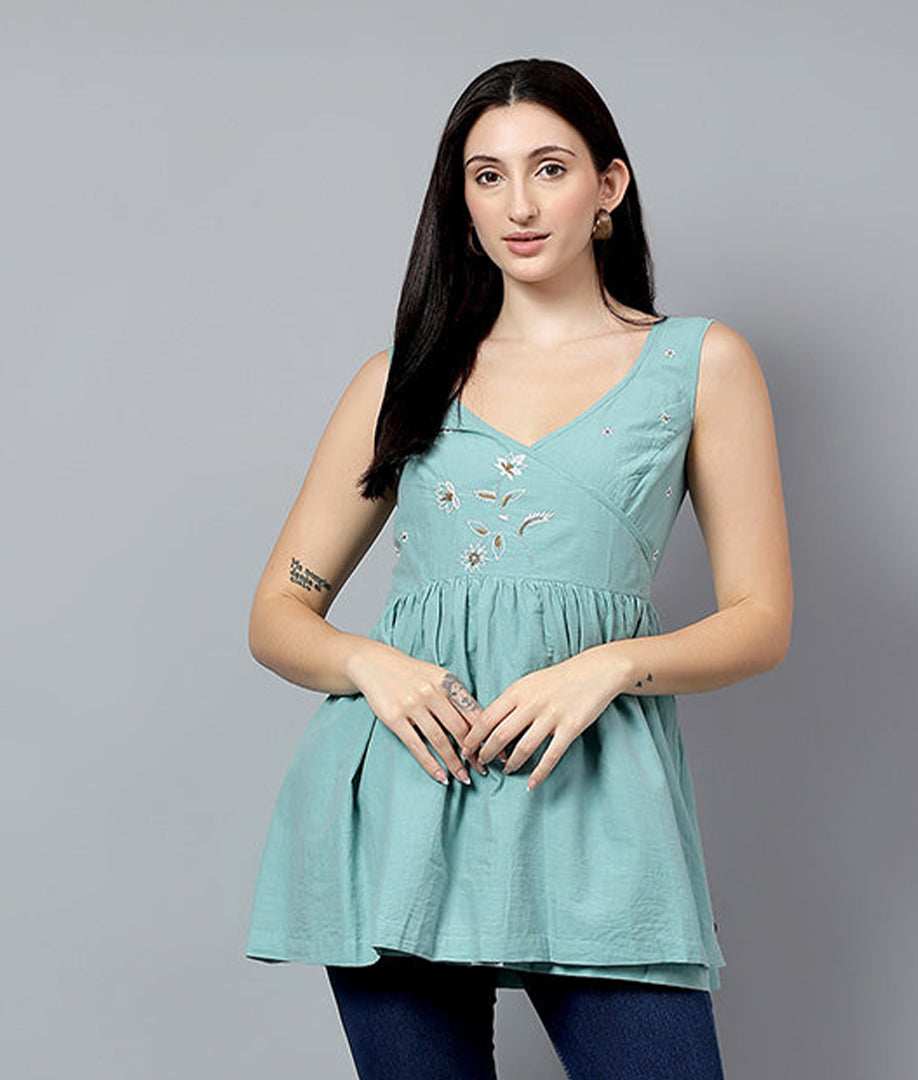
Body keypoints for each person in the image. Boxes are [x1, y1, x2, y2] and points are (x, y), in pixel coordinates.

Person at [244, 57, 792, 1080]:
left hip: (596, 801)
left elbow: (761, 618)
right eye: (487, 176)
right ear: (461, 203)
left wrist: (609, 666)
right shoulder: (404, 378)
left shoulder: (699, 363)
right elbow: (278, 612)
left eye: (550, 168)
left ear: (608, 187)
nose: (520, 205)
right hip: (403, 797)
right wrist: (371, 664)